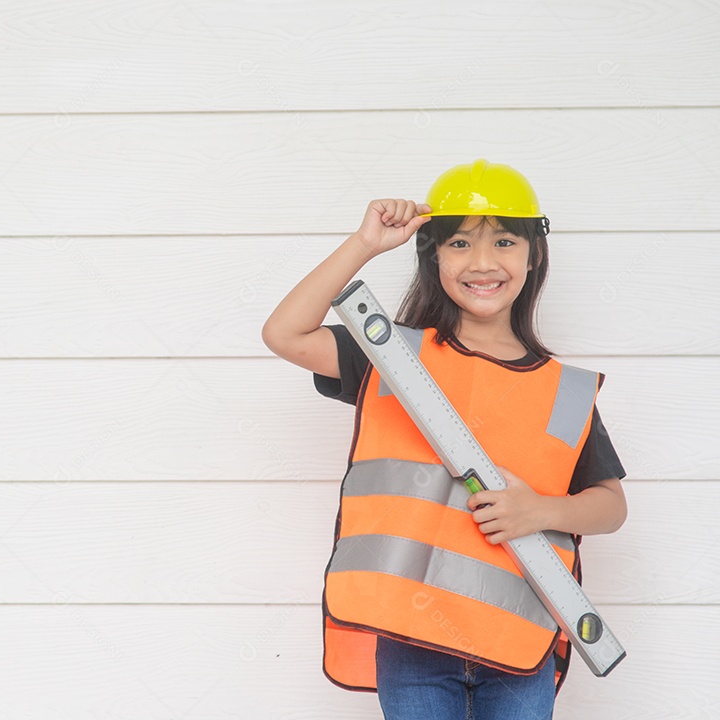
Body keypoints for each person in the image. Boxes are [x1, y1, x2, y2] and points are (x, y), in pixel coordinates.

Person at [261, 159, 628, 719]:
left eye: (504, 241)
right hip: (412, 640)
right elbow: (285, 332)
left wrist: (540, 510)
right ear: (433, 256)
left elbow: (610, 507)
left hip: (516, 642)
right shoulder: (390, 357)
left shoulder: (565, 391)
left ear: (533, 256)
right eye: (459, 243)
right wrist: (364, 244)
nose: (483, 262)